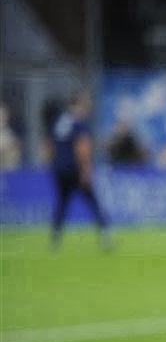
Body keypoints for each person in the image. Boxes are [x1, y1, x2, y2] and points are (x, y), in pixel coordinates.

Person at [48, 92, 112, 250]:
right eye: (85, 105)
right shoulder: (79, 122)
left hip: (59, 168)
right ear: (79, 105)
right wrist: (86, 169)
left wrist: (54, 164)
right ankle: (105, 235)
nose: (87, 108)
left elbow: (49, 145)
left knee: (62, 202)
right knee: (93, 201)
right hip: (75, 168)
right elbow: (82, 146)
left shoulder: (58, 121)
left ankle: (55, 237)